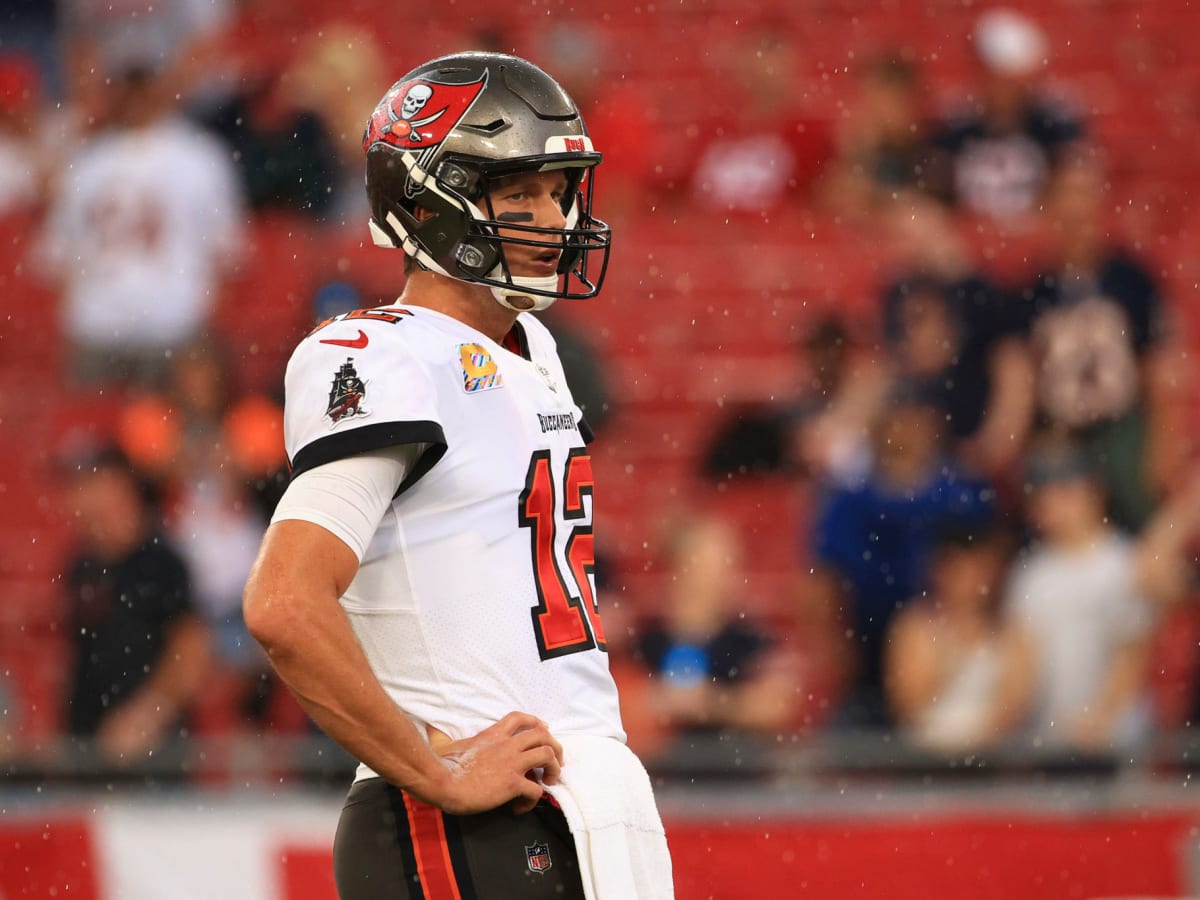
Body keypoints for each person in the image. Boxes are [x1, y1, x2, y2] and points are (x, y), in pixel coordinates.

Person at [242, 52, 672, 899]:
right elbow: (285, 602)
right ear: (426, 199)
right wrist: (432, 769)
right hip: (467, 820)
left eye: (557, 190)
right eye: (520, 193)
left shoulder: (534, 349)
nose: (554, 216)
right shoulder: (385, 353)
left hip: (572, 802)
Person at [61, 445, 211, 765]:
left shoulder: (162, 562)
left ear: (118, 487)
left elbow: (191, 648)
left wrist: (147, 714)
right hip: (89, 748)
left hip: (155, 753)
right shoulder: (81, 564)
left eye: (86, 484)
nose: (75, 497)